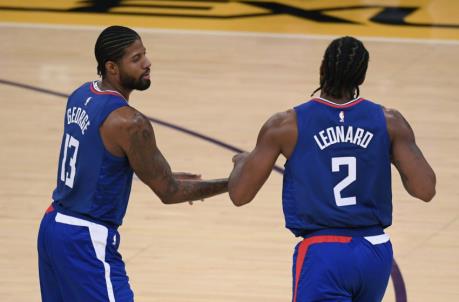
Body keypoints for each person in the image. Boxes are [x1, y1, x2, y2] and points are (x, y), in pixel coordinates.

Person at [228, 36, 436, 301]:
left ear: (322, 68)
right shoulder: (390, 122)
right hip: (375, 253)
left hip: (324, 253)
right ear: (361, 78)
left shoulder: (285, 125)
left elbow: (239, 194)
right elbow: (425, 189)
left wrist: (241, 163)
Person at [37, 25, 228, 302]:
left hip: (53, 224)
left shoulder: (80, 95)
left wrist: (167, 175)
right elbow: (169, 192)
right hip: (85, 239)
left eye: (145, 55)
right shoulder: (130, 122)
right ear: (112, 67)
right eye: (136, 59)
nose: (147, 63)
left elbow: (97, 163)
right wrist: (231, 183)